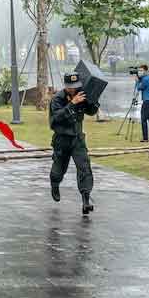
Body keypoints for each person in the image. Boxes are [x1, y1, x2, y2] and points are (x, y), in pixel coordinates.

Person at [49, 72, 99, 215]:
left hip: (77, 139)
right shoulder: (57, 99)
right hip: (62, 140)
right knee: (58, 171)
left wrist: (93, 100)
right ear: (65, 86)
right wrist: (72, 104)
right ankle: (55, 184)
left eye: (75, 86)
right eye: (70, 87)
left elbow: (91, 111)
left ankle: (86, 200)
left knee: (84, 168)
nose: (73, 89)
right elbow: (56, 119)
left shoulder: (81, 94)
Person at [136, 64, 149, 142]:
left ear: (145, 71)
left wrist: (137, 81)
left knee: (144, 119)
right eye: (139, 70)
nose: (139, 72)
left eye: (141, 70)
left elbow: (139, 88)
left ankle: (145, 138)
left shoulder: (145, 79)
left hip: (147, 101)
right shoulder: (148, 78)